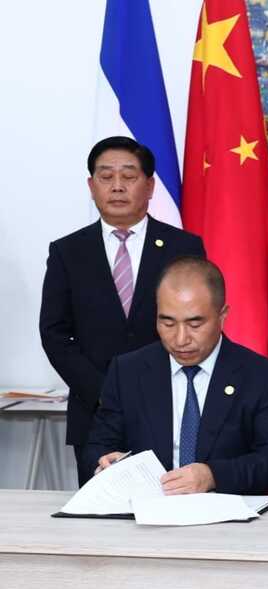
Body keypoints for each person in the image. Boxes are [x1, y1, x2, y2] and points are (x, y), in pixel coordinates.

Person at [40, 136, 205, 485]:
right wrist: (105, 393)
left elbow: (198, 325)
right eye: (106, 176)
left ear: (150, 186)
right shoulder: (68, 252)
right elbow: (55, 334)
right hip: (95, 414)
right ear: (91, 186)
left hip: (169, 406)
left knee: (173, 504)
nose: (117, 186)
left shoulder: (184, 247)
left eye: (128, 176)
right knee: (101, 512)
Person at [84, 257, 268, 495]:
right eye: (168, 323)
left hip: (226, 509)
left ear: (222, 315)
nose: (180, 339)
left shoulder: (260, 376)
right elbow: (97, 446)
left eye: (195, 324)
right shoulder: (127, 371)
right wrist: (106, 461)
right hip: (149, 509)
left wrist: (213, 475)